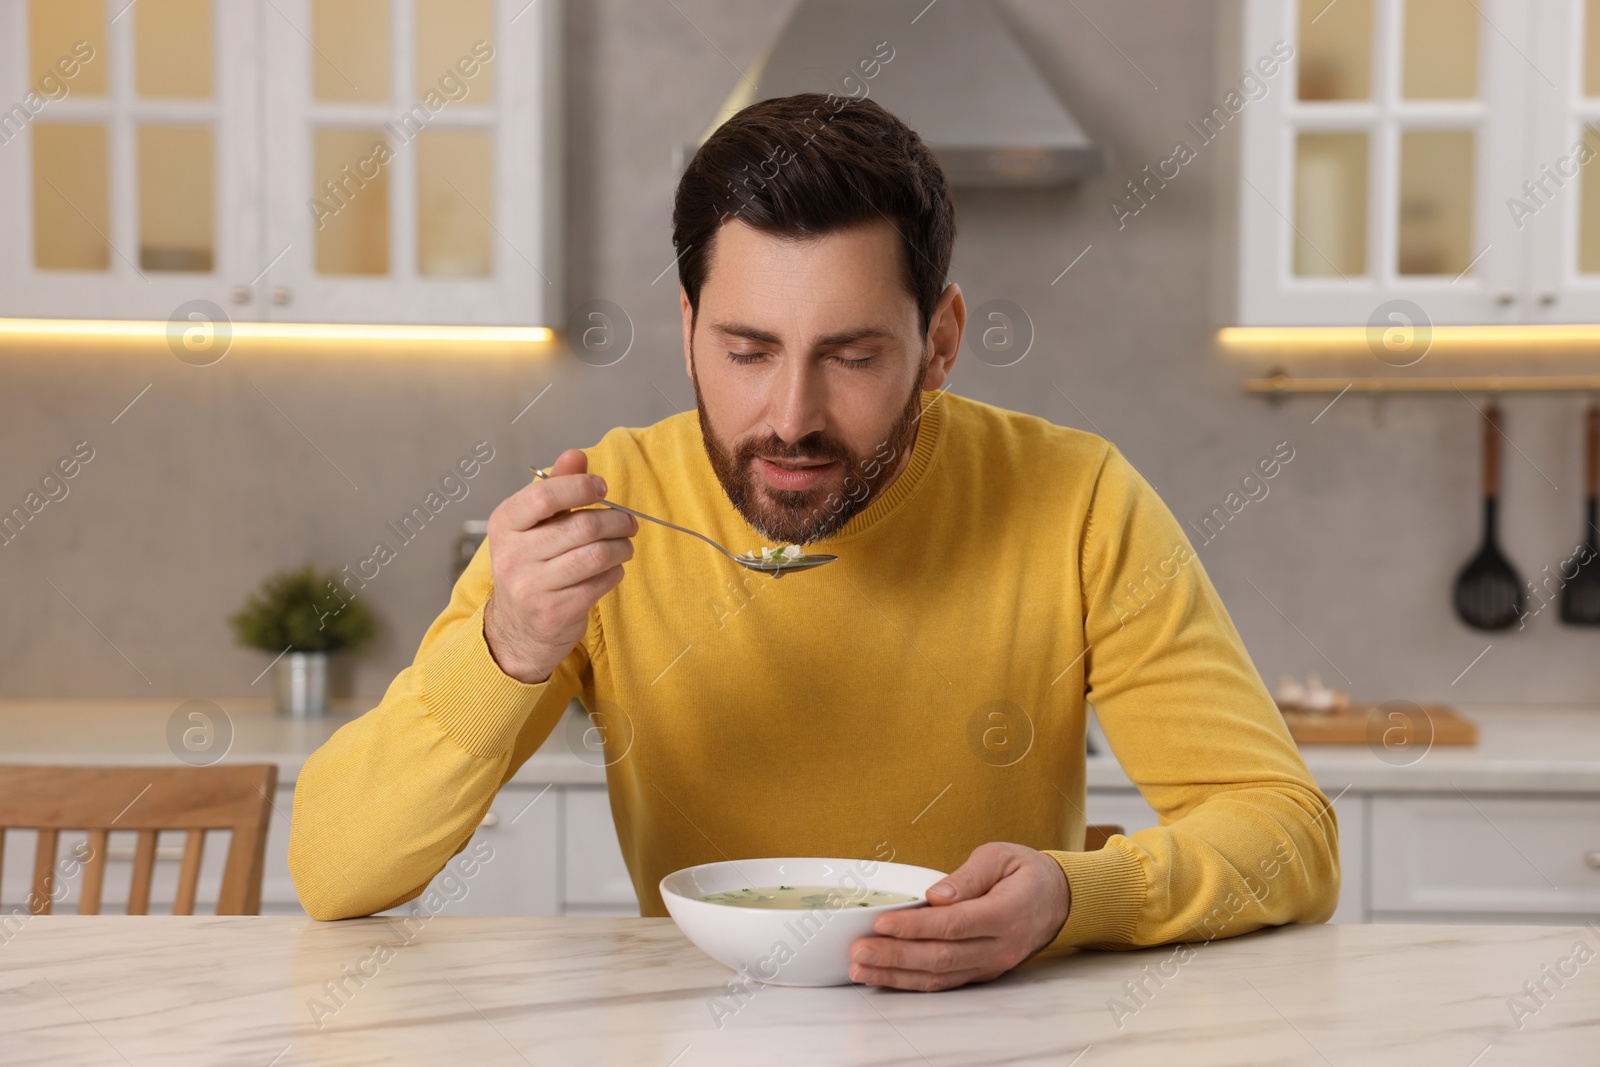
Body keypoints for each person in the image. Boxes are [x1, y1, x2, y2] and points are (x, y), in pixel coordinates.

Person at [290, 92, 1339, 992]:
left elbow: (1286, 832)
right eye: (747, 350)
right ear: (688, 328)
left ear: (938, 343)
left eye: (850, 355)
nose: (789, 415)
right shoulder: (602, 503)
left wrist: (1073, 894)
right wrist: (505, 650)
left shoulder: (1075, 498)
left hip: (998, 1030)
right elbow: (333, 868)